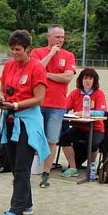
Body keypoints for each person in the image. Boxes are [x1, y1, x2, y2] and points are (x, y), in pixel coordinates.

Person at [0, 29, 49, 215]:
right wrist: (1, 97)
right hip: (8, 119)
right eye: (12, 49)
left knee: (22, 166)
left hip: (27, 122)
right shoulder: (9, 66)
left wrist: (16, 105)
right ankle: (26, 203)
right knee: (14, 164)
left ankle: (16, 212)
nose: (14, 53)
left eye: (18, 49)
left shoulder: (37, 68)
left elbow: (39, 98)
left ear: (27, 48)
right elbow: (2, 88)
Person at [30, 24, 76, 188]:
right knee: (33, 138)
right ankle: (28, 169)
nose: (61, 40)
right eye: (57, 37)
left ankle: (46, 174)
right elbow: (35, 69)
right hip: (37, 103)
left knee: (52, 140)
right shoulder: (37, 52)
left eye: (63, 37)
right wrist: (51, 54)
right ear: (49, 37)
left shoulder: (69, 56)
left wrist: (47, 75)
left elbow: (67, 77)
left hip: (57, 106)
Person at [58, 68, 108, 177]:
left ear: (94, 81)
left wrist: (86, 113)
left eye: (90, 78)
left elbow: (102, 113)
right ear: (81, 80)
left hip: (96, 128)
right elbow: (65, 107)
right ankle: (73, 167)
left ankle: (92, 165)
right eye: (85, 78)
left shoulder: (99, 94)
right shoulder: (75, 93)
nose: (88, 81)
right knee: (64, 138)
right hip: (79, 127)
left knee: (93, 142)